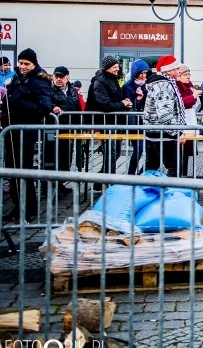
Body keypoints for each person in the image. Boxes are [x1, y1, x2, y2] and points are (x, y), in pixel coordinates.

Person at [1, 48, 52, 223]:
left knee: (23, 170)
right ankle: (19, 206)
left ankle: (27, 208)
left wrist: (19, 104)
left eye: (26, 64)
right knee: (14, 171)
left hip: (26, 131)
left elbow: (44, 107)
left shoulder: (39, 80)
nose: (22, 66)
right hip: (13, 130)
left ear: (33, 64)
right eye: (20, 63)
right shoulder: (17, 78)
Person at [85, 55, 133, 177]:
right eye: (114, 67)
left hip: (114, 122)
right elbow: (104, 104)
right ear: (107, 68)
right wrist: (122, 104)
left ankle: (102, 179)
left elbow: (116, 98)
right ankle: (107, 182)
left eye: (118, 66)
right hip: (106, 123)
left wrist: (125, 102)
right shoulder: (100, 82)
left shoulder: (113, 79)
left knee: (115, 153)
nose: (117, 69)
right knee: (111, 153)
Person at [143, 55, 186, 177]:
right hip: (163, 134)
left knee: (151, 166)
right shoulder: (164, 86)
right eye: (177, 68)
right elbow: (165, 115)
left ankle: (137, 190)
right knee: (175, 168)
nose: (179, 71)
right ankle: (171, 193)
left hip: (155, 132)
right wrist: (177, 132)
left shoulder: (160, 84)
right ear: (169, 70)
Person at [45, 66, 80, 196]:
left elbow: (76, 108)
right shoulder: (49, 89)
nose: (59, 79)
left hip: (69, 129)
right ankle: (51, 187)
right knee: (52, 157)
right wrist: (53, 107)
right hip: (54, 130)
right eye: (56, 77)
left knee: (66, 157)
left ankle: (60, 184)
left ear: (67, 78)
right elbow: (46, 102)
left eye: (62, 77)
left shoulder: (72, 90)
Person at [121, 59, 150, 175]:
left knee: (149, 150)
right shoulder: (127, 86)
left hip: (146, 121)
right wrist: (138, 98)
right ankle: (131, 174)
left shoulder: (148, 85)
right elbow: (129, 106)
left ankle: (141, 174)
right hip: (134, 123)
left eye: (145, 73)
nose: (143, 76)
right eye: (141, 73)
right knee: (139, 149)